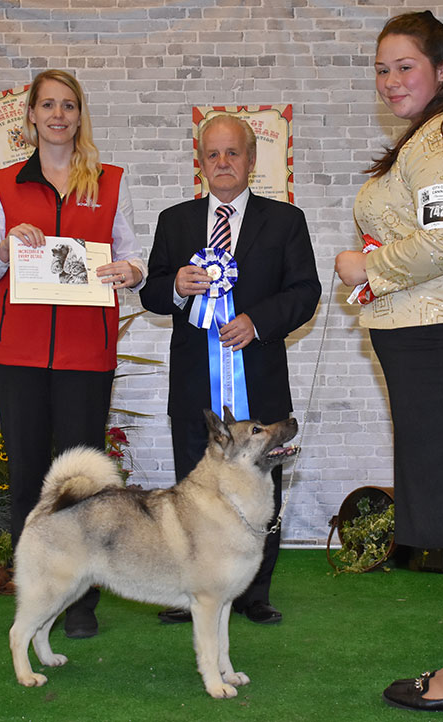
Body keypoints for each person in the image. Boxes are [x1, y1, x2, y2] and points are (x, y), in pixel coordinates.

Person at [335, 11, 443, 714]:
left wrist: (363, 265)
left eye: (406, 66)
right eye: (382, 67)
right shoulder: (436, 136)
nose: (391, 79)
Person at [140, 114, 321, 625]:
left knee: (263, 488)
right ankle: (192, 589)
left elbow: (307, 292)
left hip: (259, 378)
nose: (223, 163)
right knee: (193, 491)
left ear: (251, 159)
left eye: (233, 153)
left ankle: (254, 593)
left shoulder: (286, 220)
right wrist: (175, 285)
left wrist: (257, 322)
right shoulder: (174, 221)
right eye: (213, 154)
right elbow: (151, 291)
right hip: (196, 386)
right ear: (200, 163)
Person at [0, 69, 146, 638]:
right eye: (48, 105)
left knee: (85, 481)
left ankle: (81, 601)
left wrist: (130, 270)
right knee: (29, 474)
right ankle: (35, 596)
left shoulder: (109, 181)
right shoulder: (4, 182)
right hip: (18, 352)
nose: (58, 115)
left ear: (80, 115)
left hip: (87, 352)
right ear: (30, 115)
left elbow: (133, 258)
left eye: (69, 106)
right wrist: (5, 249)